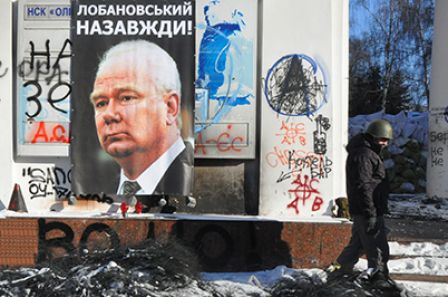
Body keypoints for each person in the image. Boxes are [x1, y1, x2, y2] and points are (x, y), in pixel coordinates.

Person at [89, 39, 193, 196]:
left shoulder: (198, 181)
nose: (109, 114)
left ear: (170, 108)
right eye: (101, 103)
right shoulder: (99, 190)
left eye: (127, 98)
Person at [332, 119, 393, 283]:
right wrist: (371, 212)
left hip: (365, 209)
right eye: (381, 139)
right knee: (378, 249)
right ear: (372, 137)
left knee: (356, 246)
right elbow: (364, 186)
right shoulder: (364, 155)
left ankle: (336, 271)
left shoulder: (367, 153)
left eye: (386, 140)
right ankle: (380, 281)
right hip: (367, 210)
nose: (384, 143)